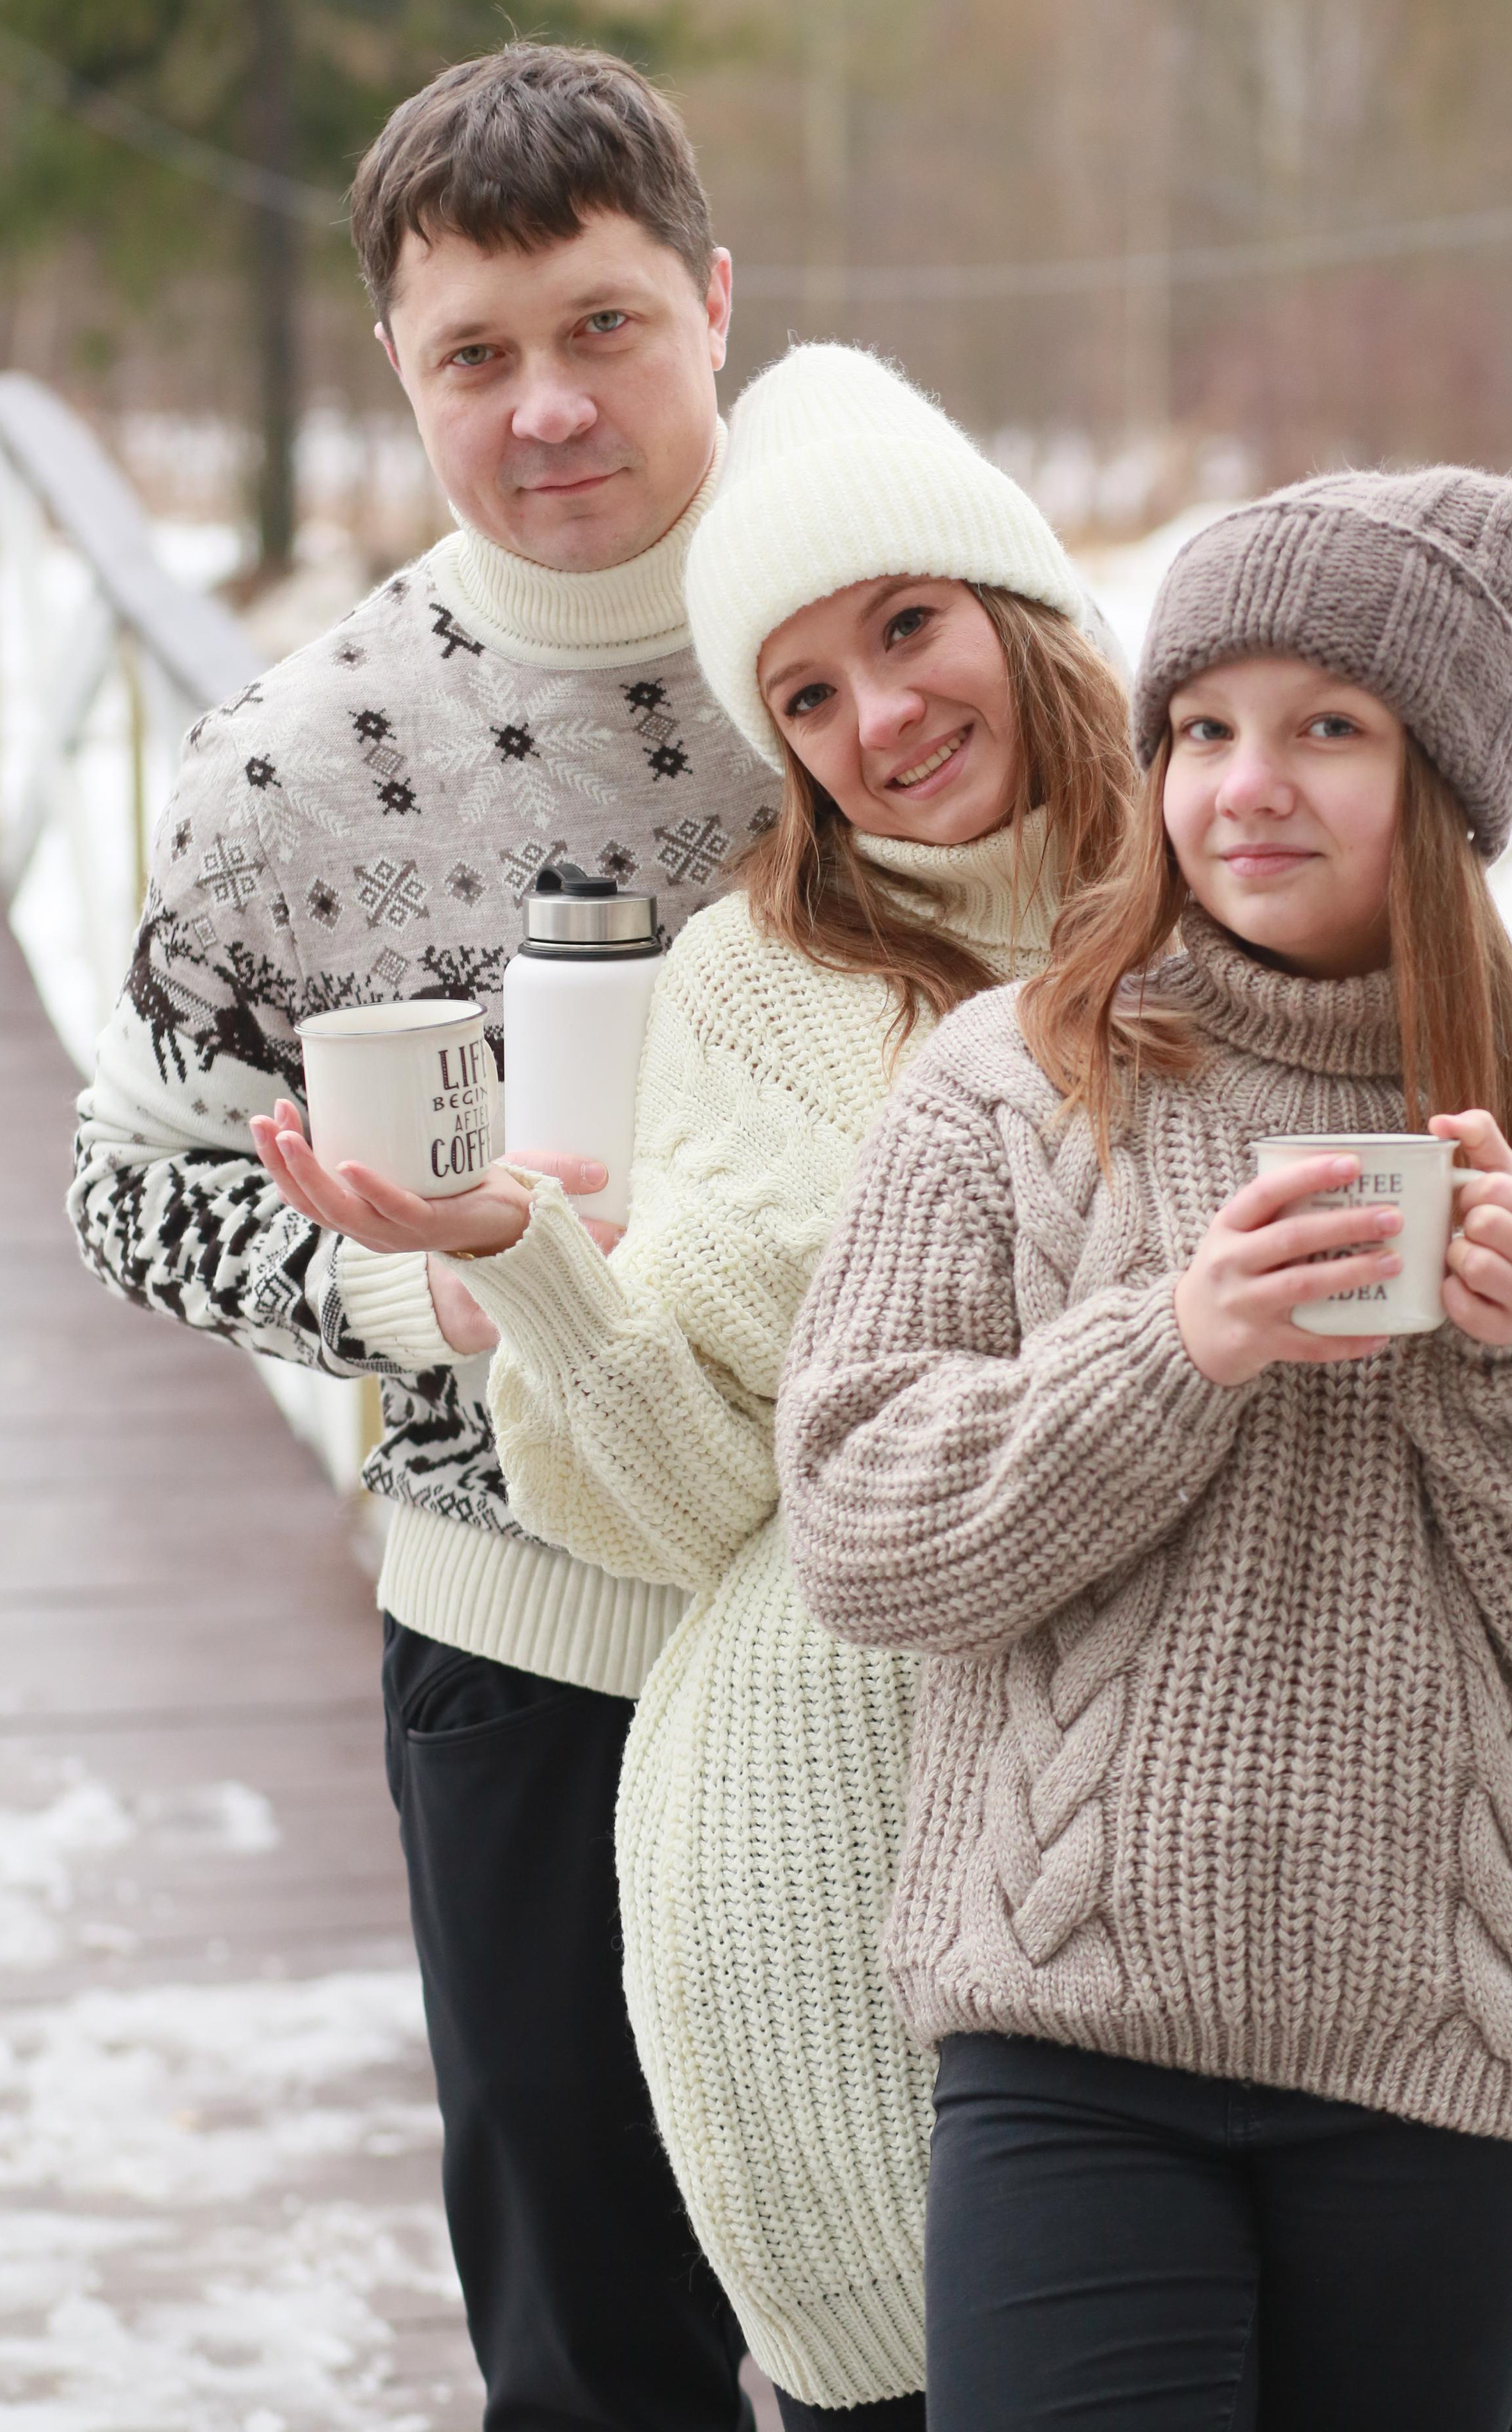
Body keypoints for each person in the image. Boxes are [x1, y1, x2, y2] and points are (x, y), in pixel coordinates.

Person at [777, 467, 1512, 2431]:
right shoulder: (1009, 1085)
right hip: (1068, 2041)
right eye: (1206, 728)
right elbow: (857, 1526)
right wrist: (1176, 1345)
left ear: (1450, 788)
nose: (1250, 784)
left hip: (1452, 2073)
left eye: (1331, 729)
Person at [252, 341, 1136, 2424]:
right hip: (824, 1889)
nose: (880, 723)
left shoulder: (1230, 894)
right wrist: (531, 1270)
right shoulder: (764, 978)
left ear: (1021, 607)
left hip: (1199, 1879)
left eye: (908, 630)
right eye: (805, 697)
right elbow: (688, 1495)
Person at [69, 40, 781, 2432]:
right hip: (534, 1642)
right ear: (400, 368)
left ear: (710, 300)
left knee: (978, 2321)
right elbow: (124, 1188)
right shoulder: (292, 761)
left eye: (599, 328)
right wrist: (400, 1287)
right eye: (475, 353)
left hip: (906, 1612)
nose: (546, 406)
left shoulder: (901, 666)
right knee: (602, 2350)